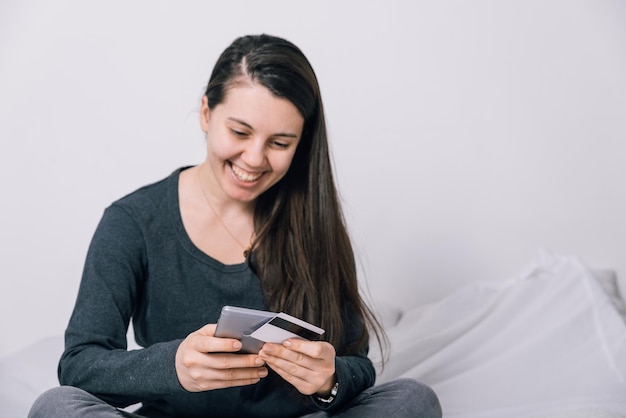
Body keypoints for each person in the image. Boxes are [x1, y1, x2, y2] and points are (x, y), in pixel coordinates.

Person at [28, 34, 441, 417]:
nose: (255, 158)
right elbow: (80, 363)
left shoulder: (313, 221)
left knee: (414, 399)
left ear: (301, 144)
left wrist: (329, 381)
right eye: (240, 131)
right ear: (206, 112)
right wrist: (172, 367)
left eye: (280, 143)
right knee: (56, 406)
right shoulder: (132, 221)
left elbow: (356, 362)